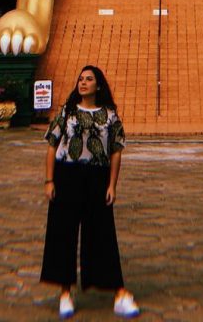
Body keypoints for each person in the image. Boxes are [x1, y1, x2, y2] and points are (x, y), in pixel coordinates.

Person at [40, 65, 139, 319]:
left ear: (98, 85)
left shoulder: (110, 116)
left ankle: (119, 293)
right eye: (80, 79)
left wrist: (112, 185)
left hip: (97, 177)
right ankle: (65, 293)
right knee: (63, 233)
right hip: (67, 175)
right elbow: (52, 145)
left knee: (103, 233)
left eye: (89, 79)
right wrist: (49, 180)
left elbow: (116, 151)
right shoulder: (67, 112)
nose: (83, 83)